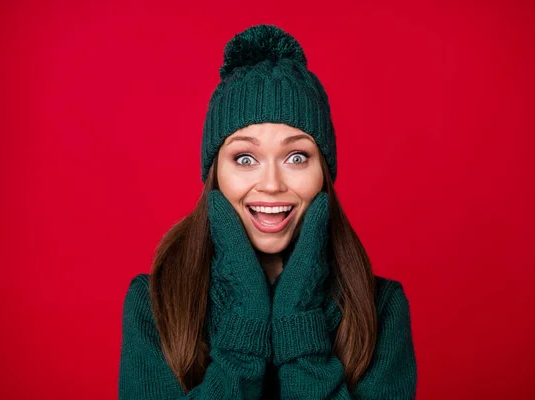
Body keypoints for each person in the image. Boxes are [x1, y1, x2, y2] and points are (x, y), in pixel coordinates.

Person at [119, 24, 417, 399]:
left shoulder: (382, 309)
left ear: (322, 174)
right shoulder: (154, 304)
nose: (272, 183)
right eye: (245, 158)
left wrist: (299, 321)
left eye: (297, 157)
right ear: (215, 175)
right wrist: (246, 321)